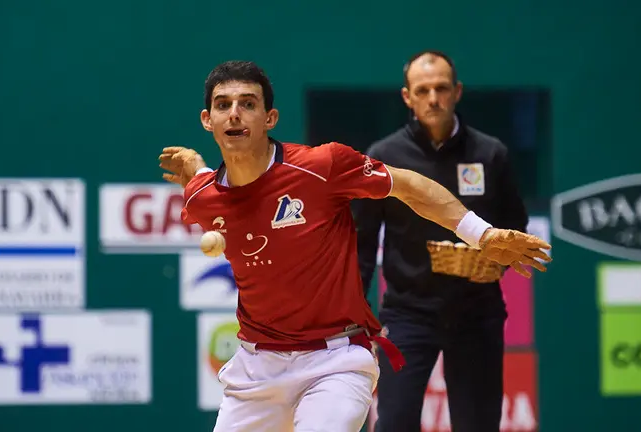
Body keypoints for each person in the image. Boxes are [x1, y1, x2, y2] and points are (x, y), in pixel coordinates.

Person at [158, 60, 550, 432]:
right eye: (223, 105)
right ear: (207, 120)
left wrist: (481, 234)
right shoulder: (202, 199)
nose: (235, 114)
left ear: (270, 118)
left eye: (248, 104)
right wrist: (195, 167)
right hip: (256, 367)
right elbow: (207, 180)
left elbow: (409, 186)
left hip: (335, 361)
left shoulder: (320, 166)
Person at [353, 50, 531, 432]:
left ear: (457, 92)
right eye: (423, 90)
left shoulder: (490, 153)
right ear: (407, 97)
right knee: (394, 422)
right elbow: (362, 241)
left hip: (476, 311)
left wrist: (495, 262)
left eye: (441, 88)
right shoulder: (385, 157)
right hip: (407, 313)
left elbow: (515, 224)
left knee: (478, 425)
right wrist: (353, 312)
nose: (433, 98)